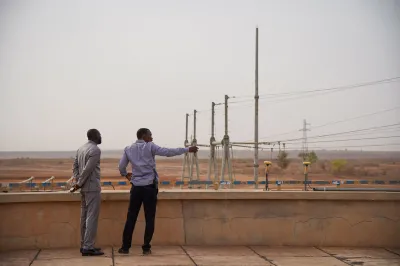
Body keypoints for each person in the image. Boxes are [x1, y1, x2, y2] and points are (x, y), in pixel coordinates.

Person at [118, 128, 198, 255]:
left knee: (131, 217)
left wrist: (125, 174)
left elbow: (121, 166)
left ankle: (125, 247)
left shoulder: (128, 149)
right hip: (149, 187)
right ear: (144, 136)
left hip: (136, 188)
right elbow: (168, 152)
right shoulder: (150, 146)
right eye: (150, 135)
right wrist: (187, 149)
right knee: (149, 218)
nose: (152, 138)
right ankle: (146, 248)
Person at [71, 129, 104, 256]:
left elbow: (75, 167)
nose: (101, 137)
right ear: (95, 136)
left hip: (84, 188)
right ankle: (88, 246)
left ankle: (84, 244)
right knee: (91, 217)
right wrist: (79, 182)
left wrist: (78, 181)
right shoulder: (95, 150)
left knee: (84, 217)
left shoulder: (81, 149)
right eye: (100, 135)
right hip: (92, 188)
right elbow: (87, 169)